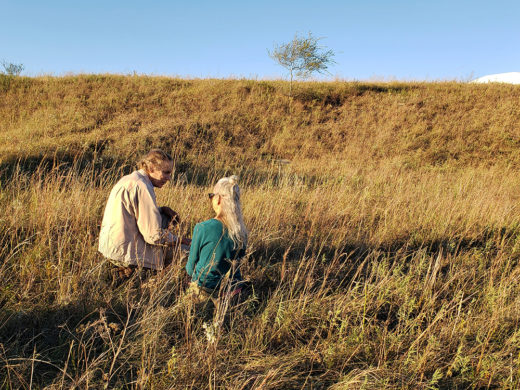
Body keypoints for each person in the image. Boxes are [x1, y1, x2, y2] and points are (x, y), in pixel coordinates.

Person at [98, 149, 190, 284]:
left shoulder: (129, 179)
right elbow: (154, 236)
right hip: (127, 254)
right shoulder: (142, 187)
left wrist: (161, 210)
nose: (169, 178)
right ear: (151, 168)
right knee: (188, 253)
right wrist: (182, 240)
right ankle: (166, 289)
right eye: (166, 172)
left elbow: (132, 214)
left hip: (111, 249)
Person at [185, 175, 248, 308]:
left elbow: (190, 269)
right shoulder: (242, 232)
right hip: (232, 292)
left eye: (211, 195)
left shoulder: (202, 228)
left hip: (203, 290)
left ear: (218, 199)